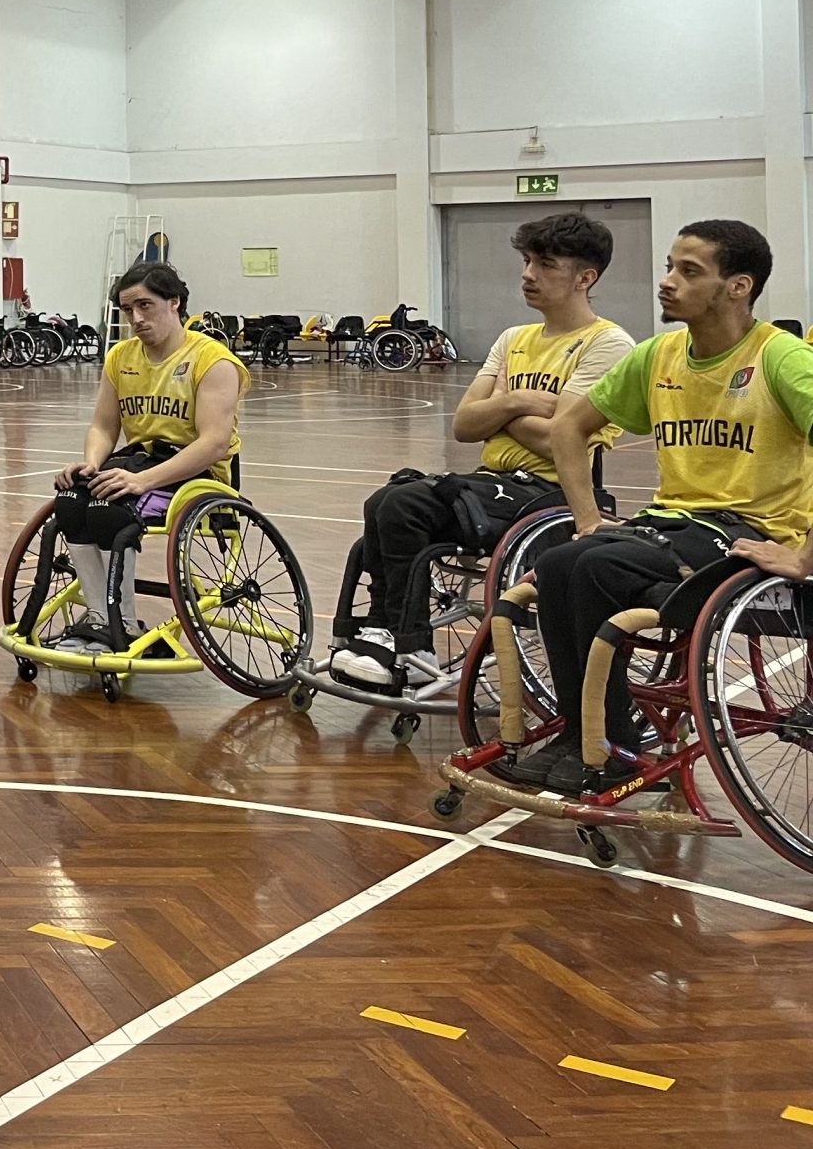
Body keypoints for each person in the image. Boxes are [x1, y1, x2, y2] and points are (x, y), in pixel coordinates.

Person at [507, 220, 813, 795]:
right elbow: (569, 426)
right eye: (670, 266)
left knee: (599, 568)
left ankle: (610, 744)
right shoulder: (660, 354)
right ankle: (580, 733)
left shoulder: (781, 358)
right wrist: (587, 519)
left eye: (688, 271)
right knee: (557, 562)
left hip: (747, 530)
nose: (667, 281)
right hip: (672, 523)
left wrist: (803, 556)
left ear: (738, 287)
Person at [326, 214, 633, 693]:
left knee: (404, 504)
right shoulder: (513, 339)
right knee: (386, 499)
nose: (528, 274)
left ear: (585, 277)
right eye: (526, 261)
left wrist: (500, 408)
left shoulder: (608, 344)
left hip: (549, 494)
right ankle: (386, 632)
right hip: (495, 484)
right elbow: (465, 425)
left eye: (545, 264)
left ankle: (407, 642)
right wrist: (517, 402)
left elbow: (559, 441)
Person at [49, 261, 247, 651]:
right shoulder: (121, 357)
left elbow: (213, 444)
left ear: (174, 302)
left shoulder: (213, 360)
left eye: (145, 306)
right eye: (128, 310)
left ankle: (121, 625)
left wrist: (141, 481)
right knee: (70, 499)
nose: (136, 318)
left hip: (197, 476)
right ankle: (99, 617)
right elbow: (104, 426)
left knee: (109, 507)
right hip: (139, 462)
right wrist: (91, 463)